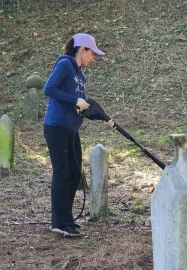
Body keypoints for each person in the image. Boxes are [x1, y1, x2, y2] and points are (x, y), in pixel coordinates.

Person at [43, 33, 113, 236]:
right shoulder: (65, 65)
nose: (93, 58)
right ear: (81, 49)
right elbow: (49, 89)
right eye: (92, 53)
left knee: (74, 174)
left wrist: (103, 117)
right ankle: (59, 222)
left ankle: (67, 220)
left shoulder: (81, 76)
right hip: (56, 126)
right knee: (62, 172)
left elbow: (82, 107)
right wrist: (75, 100)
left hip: (72, 129)